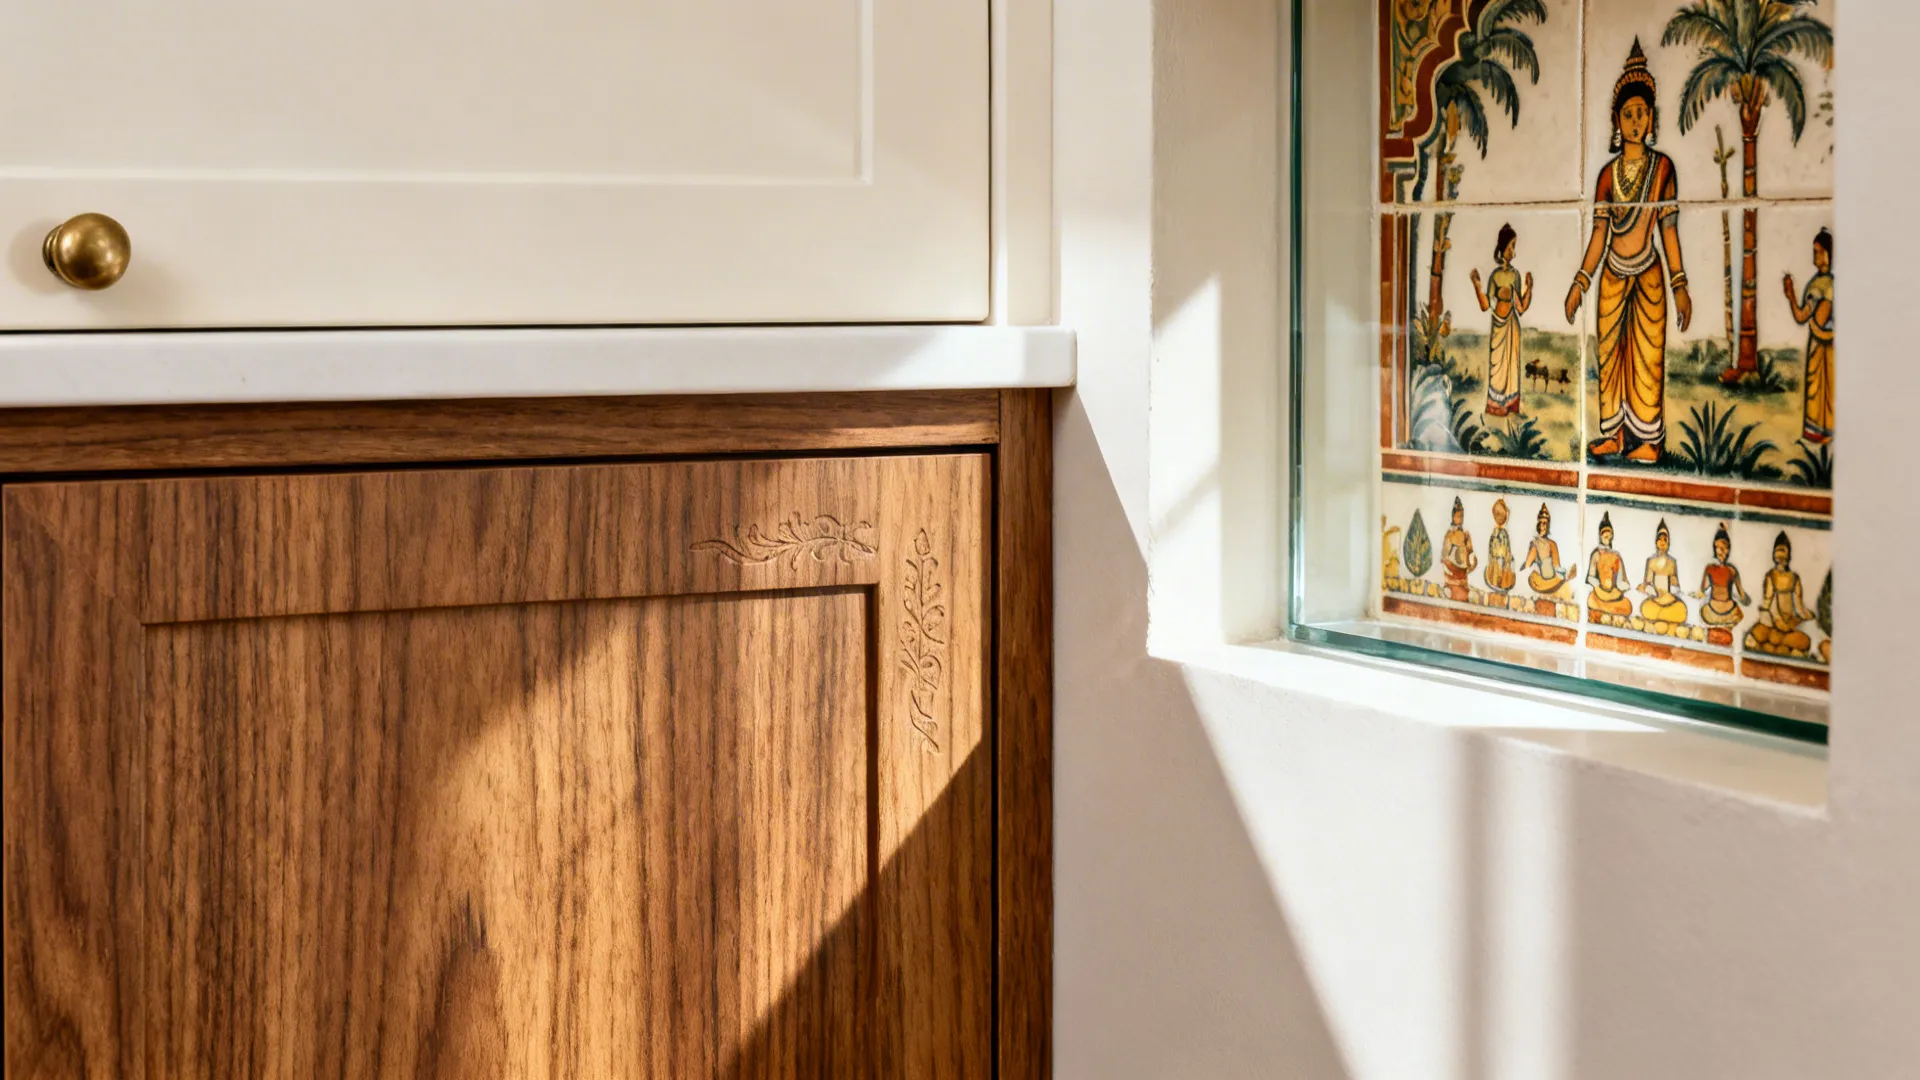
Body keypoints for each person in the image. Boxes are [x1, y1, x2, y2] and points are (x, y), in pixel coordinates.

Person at [1565, 40, 1692, 464]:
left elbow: (1669, 232)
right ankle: (1615, 436)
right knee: (1611, 358)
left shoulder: (1664, 169)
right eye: (1628, 113)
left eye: (1643, 112)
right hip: (1614, 277)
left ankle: (1649, 442)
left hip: (1651, 276)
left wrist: (1680, 285)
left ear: (1651, 117)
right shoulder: (1606, 176)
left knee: (1647, 360)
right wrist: (1580, 283)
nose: (1636, 121)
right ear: (1616, 120)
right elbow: (1599, 237)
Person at [1471, 225, 1533, 434]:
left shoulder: (1515, 275)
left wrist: (1529, 288)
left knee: (1511, 367)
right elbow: (1485, 305)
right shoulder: (1496, 276)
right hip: (1499, 324)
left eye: (1515, 245)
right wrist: (1476, 284)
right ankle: (1496, 409)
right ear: (1504, 246)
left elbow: (1521, 307)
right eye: (1512, 245)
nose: (1513, 250)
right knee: (1497, 367)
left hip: (1512, 325)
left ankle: (1511, 408)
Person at [1784, 228, 1835, 445]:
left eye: (1818, 251)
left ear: (1829, 254)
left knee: (1828, 391)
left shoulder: (1826, 285)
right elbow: (1803, 316)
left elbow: (1811, 318)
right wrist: (1791, 295)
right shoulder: (1818, 284)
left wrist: (1791, 296)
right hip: (1821, 344)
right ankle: (1819, 434)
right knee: (1819, 391)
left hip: (1827, 345)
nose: (1815, 256)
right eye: (1814, 251)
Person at [1746, 531, 1814, 654]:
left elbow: (1799, 606)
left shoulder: (1794, 578)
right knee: (1755, 637)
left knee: (1805, 641)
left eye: (1783, 550)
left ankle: (1778, 646)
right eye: (1778, 550)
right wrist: (1773, 620)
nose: (1780, 555)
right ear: (1773, 554)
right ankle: (1778, 646)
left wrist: (1808, 617)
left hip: (1789, 626)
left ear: (1789, 553)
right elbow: (1767, 603)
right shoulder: (1771, 576)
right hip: (1772, 624)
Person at [1691, 523, 1751, 628]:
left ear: (1728, 549)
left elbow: (1742, 595)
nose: (1720, 551)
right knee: (1704, 613)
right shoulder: (1709, 569)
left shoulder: (1732, 570)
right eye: (1717, 548)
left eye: (1723, 548)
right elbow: (1702, 590)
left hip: (1729, 611)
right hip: (1712, 611)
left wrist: (1745, 599)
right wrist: (1696, 594)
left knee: (1738, 616)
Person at [1636, 519, 1688, 624]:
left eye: (1665, 539)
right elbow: (1648, 583)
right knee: (1646, 608)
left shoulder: (1672, 562)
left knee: (1681, 610)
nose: (1662, 542)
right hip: (1656, 600)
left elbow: (1675, 585)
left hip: (1669, 600)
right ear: (1656, 542)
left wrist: (1670, 593)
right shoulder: (1651, 561)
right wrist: (1652, 591)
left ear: (1668, 542)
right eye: (1660, 539)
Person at [1586, 513, 1633, 619]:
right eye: (1604, 534)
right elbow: (1591, 577)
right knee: (1591, 600)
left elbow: (1622, 580)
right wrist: (1597, 587)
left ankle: (1607, 612)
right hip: (1600, 593)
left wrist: (1619, 589)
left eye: (1609, 533)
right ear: (1600, 536)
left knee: (1627, 606)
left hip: (1614, 594)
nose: (1606, 536)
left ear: (1612, 536)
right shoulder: (1596, 554)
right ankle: (1608, 612)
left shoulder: (1616, 556)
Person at [1522, 503, 1575, 599]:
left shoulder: (1552, 544)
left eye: (1545, 524)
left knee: (1566, 589)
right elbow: (1527, 566)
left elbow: (1557, 567)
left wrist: (1564, 575)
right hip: (1538, 580)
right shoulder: (1535, 544)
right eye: (1540, 523)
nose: (1542, 526)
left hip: (1551, 579)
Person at [1441, 497, 1478, 601]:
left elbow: (1471, 554)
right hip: (1452, 577)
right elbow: (1444, 557)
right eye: (1458, 516)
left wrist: (1472, 564)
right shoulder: (1449, 535)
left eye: (1461, 516)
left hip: (1463, 577)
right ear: (1453, 517)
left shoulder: (1466, 535)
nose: (1460, 518)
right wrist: (1449, 571)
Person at [1484, 499, 1516, 595]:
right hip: (1494, 566)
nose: (1498, 516)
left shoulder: (1504, 534)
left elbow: (1507, 551)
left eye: (1500, 514)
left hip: (1504, 567)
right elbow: (1491, 551)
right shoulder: (1494, 533)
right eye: (1496, 514)